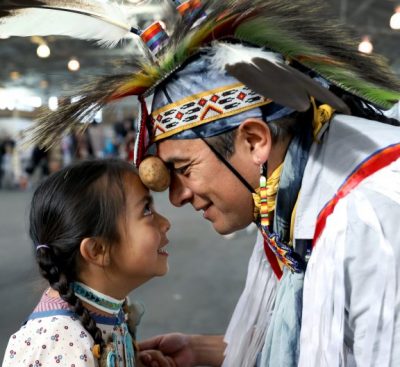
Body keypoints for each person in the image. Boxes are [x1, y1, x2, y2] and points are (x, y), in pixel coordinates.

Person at [2, 0, 400, 366]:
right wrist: (209, 351)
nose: (175, 198)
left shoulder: (369, 217)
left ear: (254, 140)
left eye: (184, 168)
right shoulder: (288, 198)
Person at [2, 159, 173, 367]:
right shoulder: (62, 346)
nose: (165, 223)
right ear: (97, 250)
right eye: (146, 210)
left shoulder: (109, 309)